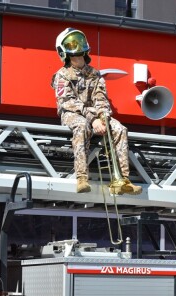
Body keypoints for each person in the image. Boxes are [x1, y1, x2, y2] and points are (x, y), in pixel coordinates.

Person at [51, 27, 142, 195]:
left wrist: (103, 117)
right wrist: (93, 119)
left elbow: (101, 99)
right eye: (72, 45)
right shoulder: (61, 75)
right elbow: (68, 102)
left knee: (120, 129)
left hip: (95, 115)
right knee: (81, 126)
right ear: (64, 51)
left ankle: (122, 180)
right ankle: (81, 178)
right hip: (72, 114)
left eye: (79, 43)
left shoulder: (94, 74)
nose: (77, 49)